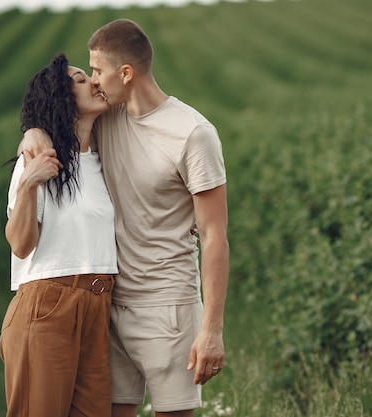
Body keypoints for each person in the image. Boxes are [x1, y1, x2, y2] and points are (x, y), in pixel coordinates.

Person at [21, 19, 229, 417]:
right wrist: (32, 131)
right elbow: (61, 123)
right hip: (110, 307)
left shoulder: (193, 134)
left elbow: (215, 235)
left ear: (126, 73)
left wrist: (212, 330)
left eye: (97, 70)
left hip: (168, 307)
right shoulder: (107, 119)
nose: (94, 81)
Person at [0, 53, 116, 417]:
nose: (94, 82)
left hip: (98, 307)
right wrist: (29, 184)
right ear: (62, 99)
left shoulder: (103, 159)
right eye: (81, 80)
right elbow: (20, 244)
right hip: (47, 305)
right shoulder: (39, 159)